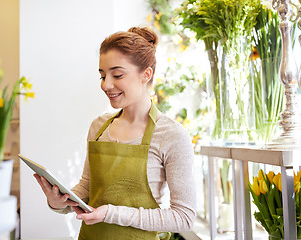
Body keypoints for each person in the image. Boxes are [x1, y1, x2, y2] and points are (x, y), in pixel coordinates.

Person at [34, 26, 196, 240]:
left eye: (117, 75)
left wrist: (112, 213)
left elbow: (184, 217)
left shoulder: (171, 135)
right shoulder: (98, 127)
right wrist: (58, 203)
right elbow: (88, 186)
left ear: (146, 74)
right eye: (102, 76)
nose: (106, 85)